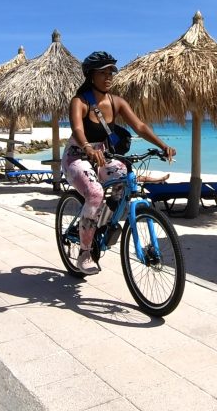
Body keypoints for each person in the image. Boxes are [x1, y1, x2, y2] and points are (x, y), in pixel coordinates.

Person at [62, 51, 176, 274]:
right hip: (77, 156)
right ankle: (85, 252)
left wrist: (163, 146)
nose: (108, 77)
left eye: (111, 72)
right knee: (95, 193)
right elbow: (77, 127)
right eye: (103, 73)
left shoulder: (117, 102)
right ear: (91, 75)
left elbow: (140, 127)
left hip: (103, 156)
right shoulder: (80, 101)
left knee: (124, 180)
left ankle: (100, 224)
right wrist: (87, 147)